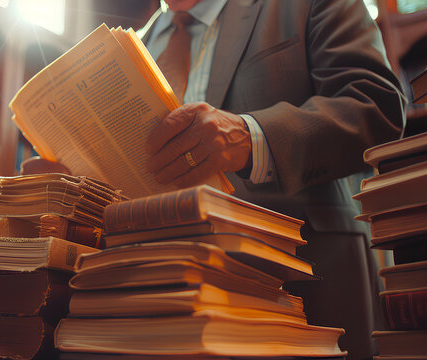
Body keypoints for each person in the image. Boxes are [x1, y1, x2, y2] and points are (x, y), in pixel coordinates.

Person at [23, 1, 406, 359]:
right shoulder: (135, 44)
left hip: (300, 291)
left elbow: (376, 106)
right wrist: (78, 186)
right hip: (160, 299)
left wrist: (250, 134)